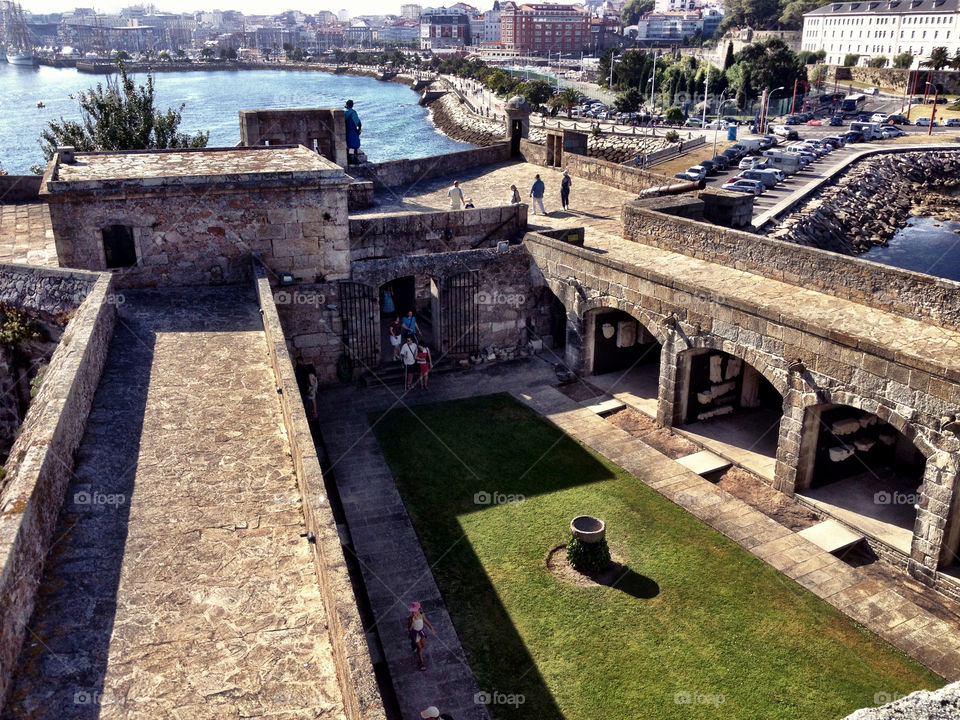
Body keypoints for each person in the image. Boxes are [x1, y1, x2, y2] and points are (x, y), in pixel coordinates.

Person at [408, 601, 435, 670]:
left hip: (421, 632)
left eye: (415, 611)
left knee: (423, 645)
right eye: (413, 611)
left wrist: (431, 628)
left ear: (419, 609)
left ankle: (414, 644)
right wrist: (412, 622)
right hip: (415, 633)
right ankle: (422, 663)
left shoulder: (422, 614)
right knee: (419, 648)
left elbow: (426, 621)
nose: (414, 613)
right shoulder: (411, 617)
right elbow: (410, 628)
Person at [344, 99, 362, 164]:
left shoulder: (344, 112)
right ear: (352, 105)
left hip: (346, 131)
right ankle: (353, 159)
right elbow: (358, 122)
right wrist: (359, 128)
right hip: (352, 131)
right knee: (354, 145)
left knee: (350, 145)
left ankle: (350, 158)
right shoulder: (353, 112)